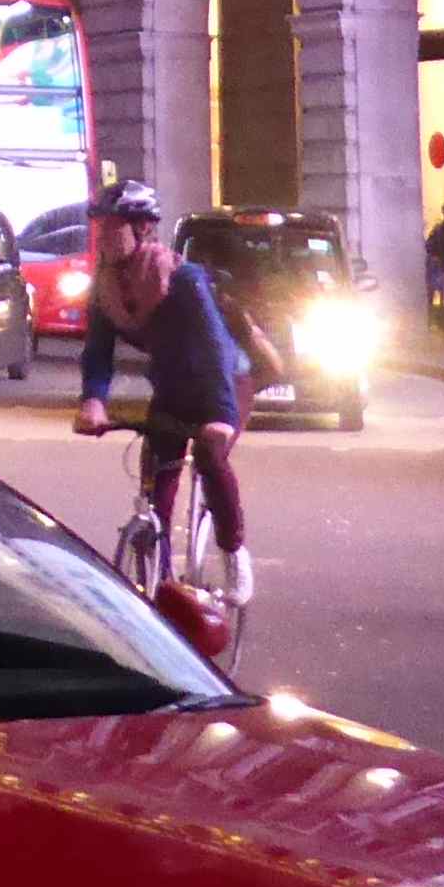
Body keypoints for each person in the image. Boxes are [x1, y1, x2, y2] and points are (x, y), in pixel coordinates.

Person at [75, 183, 270, 610]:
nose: (103, 237)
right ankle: (157, 582)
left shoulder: (182, 279)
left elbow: (215, 349)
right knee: (157, 480)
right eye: (100, 228)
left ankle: (234, 553)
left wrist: (220, 416)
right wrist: (93, 400)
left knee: (210, 455)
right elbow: (98, 350)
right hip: (172, 386)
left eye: (112, 227)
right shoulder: (107, 287)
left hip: (225, 382)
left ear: (143, 229)